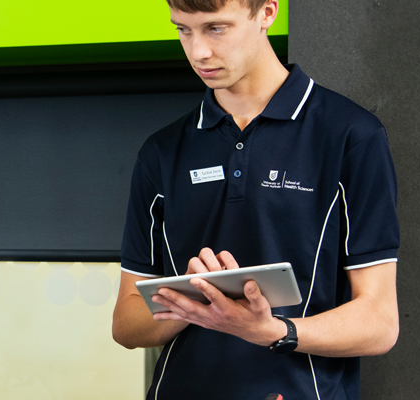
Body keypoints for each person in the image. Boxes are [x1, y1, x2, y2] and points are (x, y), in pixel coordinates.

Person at [110, 0, 400, 399]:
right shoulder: (161, 152)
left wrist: (270, 331)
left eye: (216, 28)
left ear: (267, 13)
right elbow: (126, 325)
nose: (198, 52)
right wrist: (199, 299)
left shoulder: (350, 136)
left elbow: (380, 322)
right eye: (183, 29)